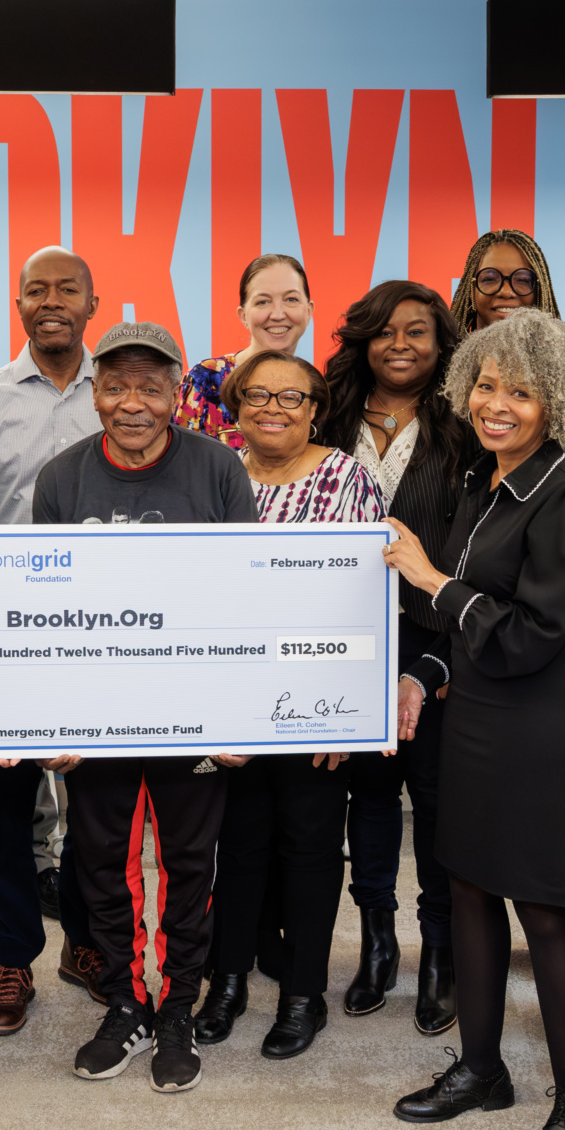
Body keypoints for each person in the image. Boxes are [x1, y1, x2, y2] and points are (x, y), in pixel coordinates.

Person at [381, 311, 565, 1130]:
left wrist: (429, 580)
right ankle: (481, 1068)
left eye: (521, 391)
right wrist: (425, 673)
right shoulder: (483, 481)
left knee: (549, 912)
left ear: (555, 404)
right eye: (486, 385)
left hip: (549, 725)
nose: (498, 404)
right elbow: (469, 622)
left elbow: (526, 635)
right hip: (476, 717)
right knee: (469, 889)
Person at [30, 321, 259, 1094]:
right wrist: (54, 720)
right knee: (104, 866)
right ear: (94, 392)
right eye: (117, 385)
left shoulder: (219, 469)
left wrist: (237, 717)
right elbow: (46, 608)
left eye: (151, 386)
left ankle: (179, 1008)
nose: (134, 403)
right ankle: (127, 1002)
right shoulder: (61, 479)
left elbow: (242, 601)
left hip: (193, 709)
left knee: (192, 867)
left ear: (175, 394)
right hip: (100, 712)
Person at [195, 351, 385, 1058]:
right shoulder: (216, 471)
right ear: (236, 405)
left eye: (291, 396)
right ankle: (228, 981)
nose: (273, 407)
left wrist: (349, 708)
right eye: (257, 394)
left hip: (316, 696)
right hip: (232, 693)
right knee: (236, 845)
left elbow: (368, 596)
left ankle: (304, 993)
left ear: (315, 408)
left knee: (308, 845)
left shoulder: (347, 477)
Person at [0, 246, 106, 1037]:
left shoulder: (118, 391)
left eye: (65, 290)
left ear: (92, 303)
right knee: (5, 805)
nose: (51, 301)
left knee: (97, 802)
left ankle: (86, 944)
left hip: (104, 632)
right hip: (5, 631)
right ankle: (13, 956)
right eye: (36, 290)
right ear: (18, 305)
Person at [314, 280, 474, 1029]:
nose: (400, 343)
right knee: (369, 796)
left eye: (418, 331)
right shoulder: (330, 413)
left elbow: (477, 550)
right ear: (362, 341)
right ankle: (378, 940)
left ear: (443, 344)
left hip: (435, 638)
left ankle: (438, 949)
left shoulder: (466, 424)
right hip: (341, 639)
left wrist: (438, 657)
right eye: (384, 331)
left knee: (440, 804)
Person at [174, 253, 313, 448]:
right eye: (263, 302)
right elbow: (178, 463)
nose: (278, 314)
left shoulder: (312, 388)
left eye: (291, 299)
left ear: (309, 311)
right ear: (243, 315)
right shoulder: (206, 380)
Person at [447, 228, 562, 333]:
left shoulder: (563, 356)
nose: (506, 292)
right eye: (490, 279)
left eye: (522, 280)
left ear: (539, 290)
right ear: (471, 288)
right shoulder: (444, 354)